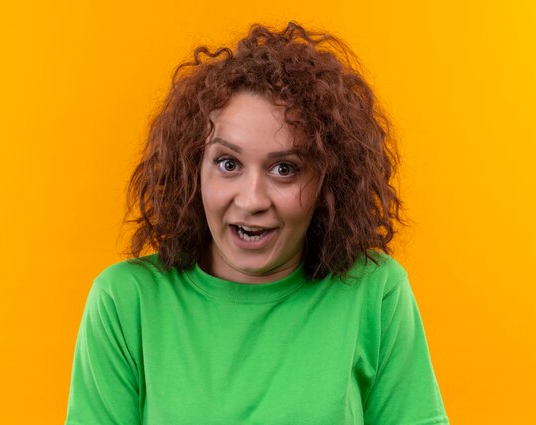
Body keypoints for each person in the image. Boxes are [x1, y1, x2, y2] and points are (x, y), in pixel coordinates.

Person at [64, 22, 450, 425]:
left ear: (328, 180)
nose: (251, 200)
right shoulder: (126, 301)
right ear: (191, 169)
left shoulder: (375, 292)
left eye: (285, 168)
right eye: (228, 164)